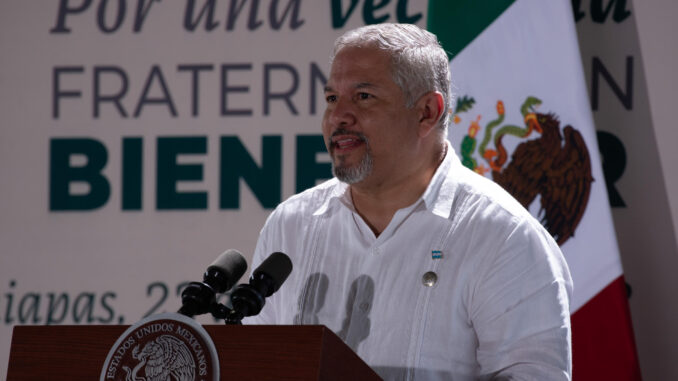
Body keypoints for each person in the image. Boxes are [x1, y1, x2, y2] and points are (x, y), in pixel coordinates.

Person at [245, 23, 572, 380]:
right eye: (331, 99)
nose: (338, 117)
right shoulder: (292, 224)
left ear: (426, 112)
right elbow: (257, 364)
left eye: (364, 96)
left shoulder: (504, 237)